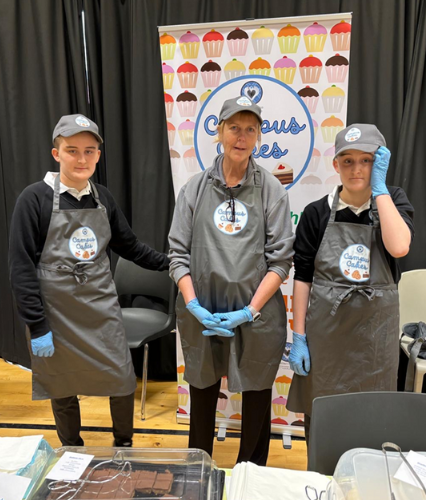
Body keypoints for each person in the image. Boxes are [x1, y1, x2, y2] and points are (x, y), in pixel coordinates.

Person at [9, 114, 170, 447]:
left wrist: (174, 265)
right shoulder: (34, 199)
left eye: (89, 151)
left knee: (122, 379)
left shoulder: (103, 199)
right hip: (56, 312)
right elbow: (21, 267)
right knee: (62, 383)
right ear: (57, 154)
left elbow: (131, 247)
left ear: (98, 154)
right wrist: (37, 325)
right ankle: (71, 447)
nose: (81, 159)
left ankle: (124, 445)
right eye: (72, 150)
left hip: (100, 309)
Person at [168, 97, 294, 465]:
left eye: (250, 129)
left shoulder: (271, 189)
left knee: (256, 395)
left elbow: (281, 259)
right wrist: (192, 305)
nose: (242, 136)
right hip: (202, 312)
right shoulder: (193, 189)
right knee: (203, 393)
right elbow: (177, 255)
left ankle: (251, 474)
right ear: (219, 131)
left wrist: (250, 310)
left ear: (258, 136)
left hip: (257, 315)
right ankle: (199, 468)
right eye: (234, 127)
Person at [287, 124, 414, 438]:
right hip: (326, 337)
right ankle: (319, 479)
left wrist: (380, 190)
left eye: (367, 160)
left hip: (375, 337)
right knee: (323, 417)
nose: (357, 169)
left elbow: (399, 246)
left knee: (372, 418)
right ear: (335, 165)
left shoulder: (392, 202)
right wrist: (299, 336)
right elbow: (302, 279)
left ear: (380, 161)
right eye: (348, 161)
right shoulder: (316, 213)